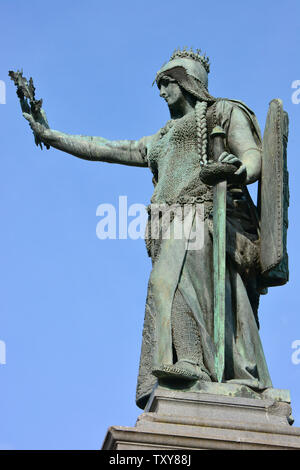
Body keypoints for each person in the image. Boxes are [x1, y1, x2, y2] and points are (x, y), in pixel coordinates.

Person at [22, 48, 272, 409]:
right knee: (162, 289)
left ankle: (191, 362)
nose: (161, 92)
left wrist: (237, 170)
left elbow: (254, 155)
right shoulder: (161, 138)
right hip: (168, 226)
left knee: (168, 287)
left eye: (166, 84)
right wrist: (51, 135)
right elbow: (104, 148)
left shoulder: (222, 112)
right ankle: (186, 363)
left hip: (204, 216)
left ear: (187, 84)